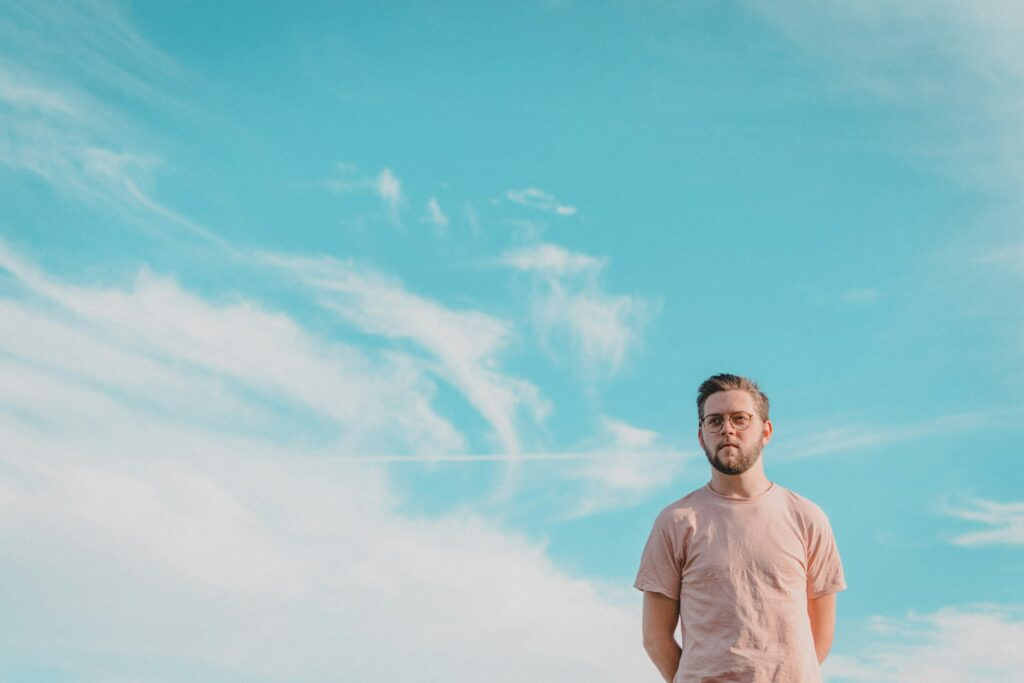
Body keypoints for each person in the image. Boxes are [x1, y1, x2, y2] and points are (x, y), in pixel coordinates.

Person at [634, 374, 846, 683]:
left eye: (740, 419)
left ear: (766, 431)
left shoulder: (807, 518)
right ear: (701, 436)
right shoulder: (676, 522)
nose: (727, 430)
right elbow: (655, 637)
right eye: (715, 421)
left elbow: (822, 634)